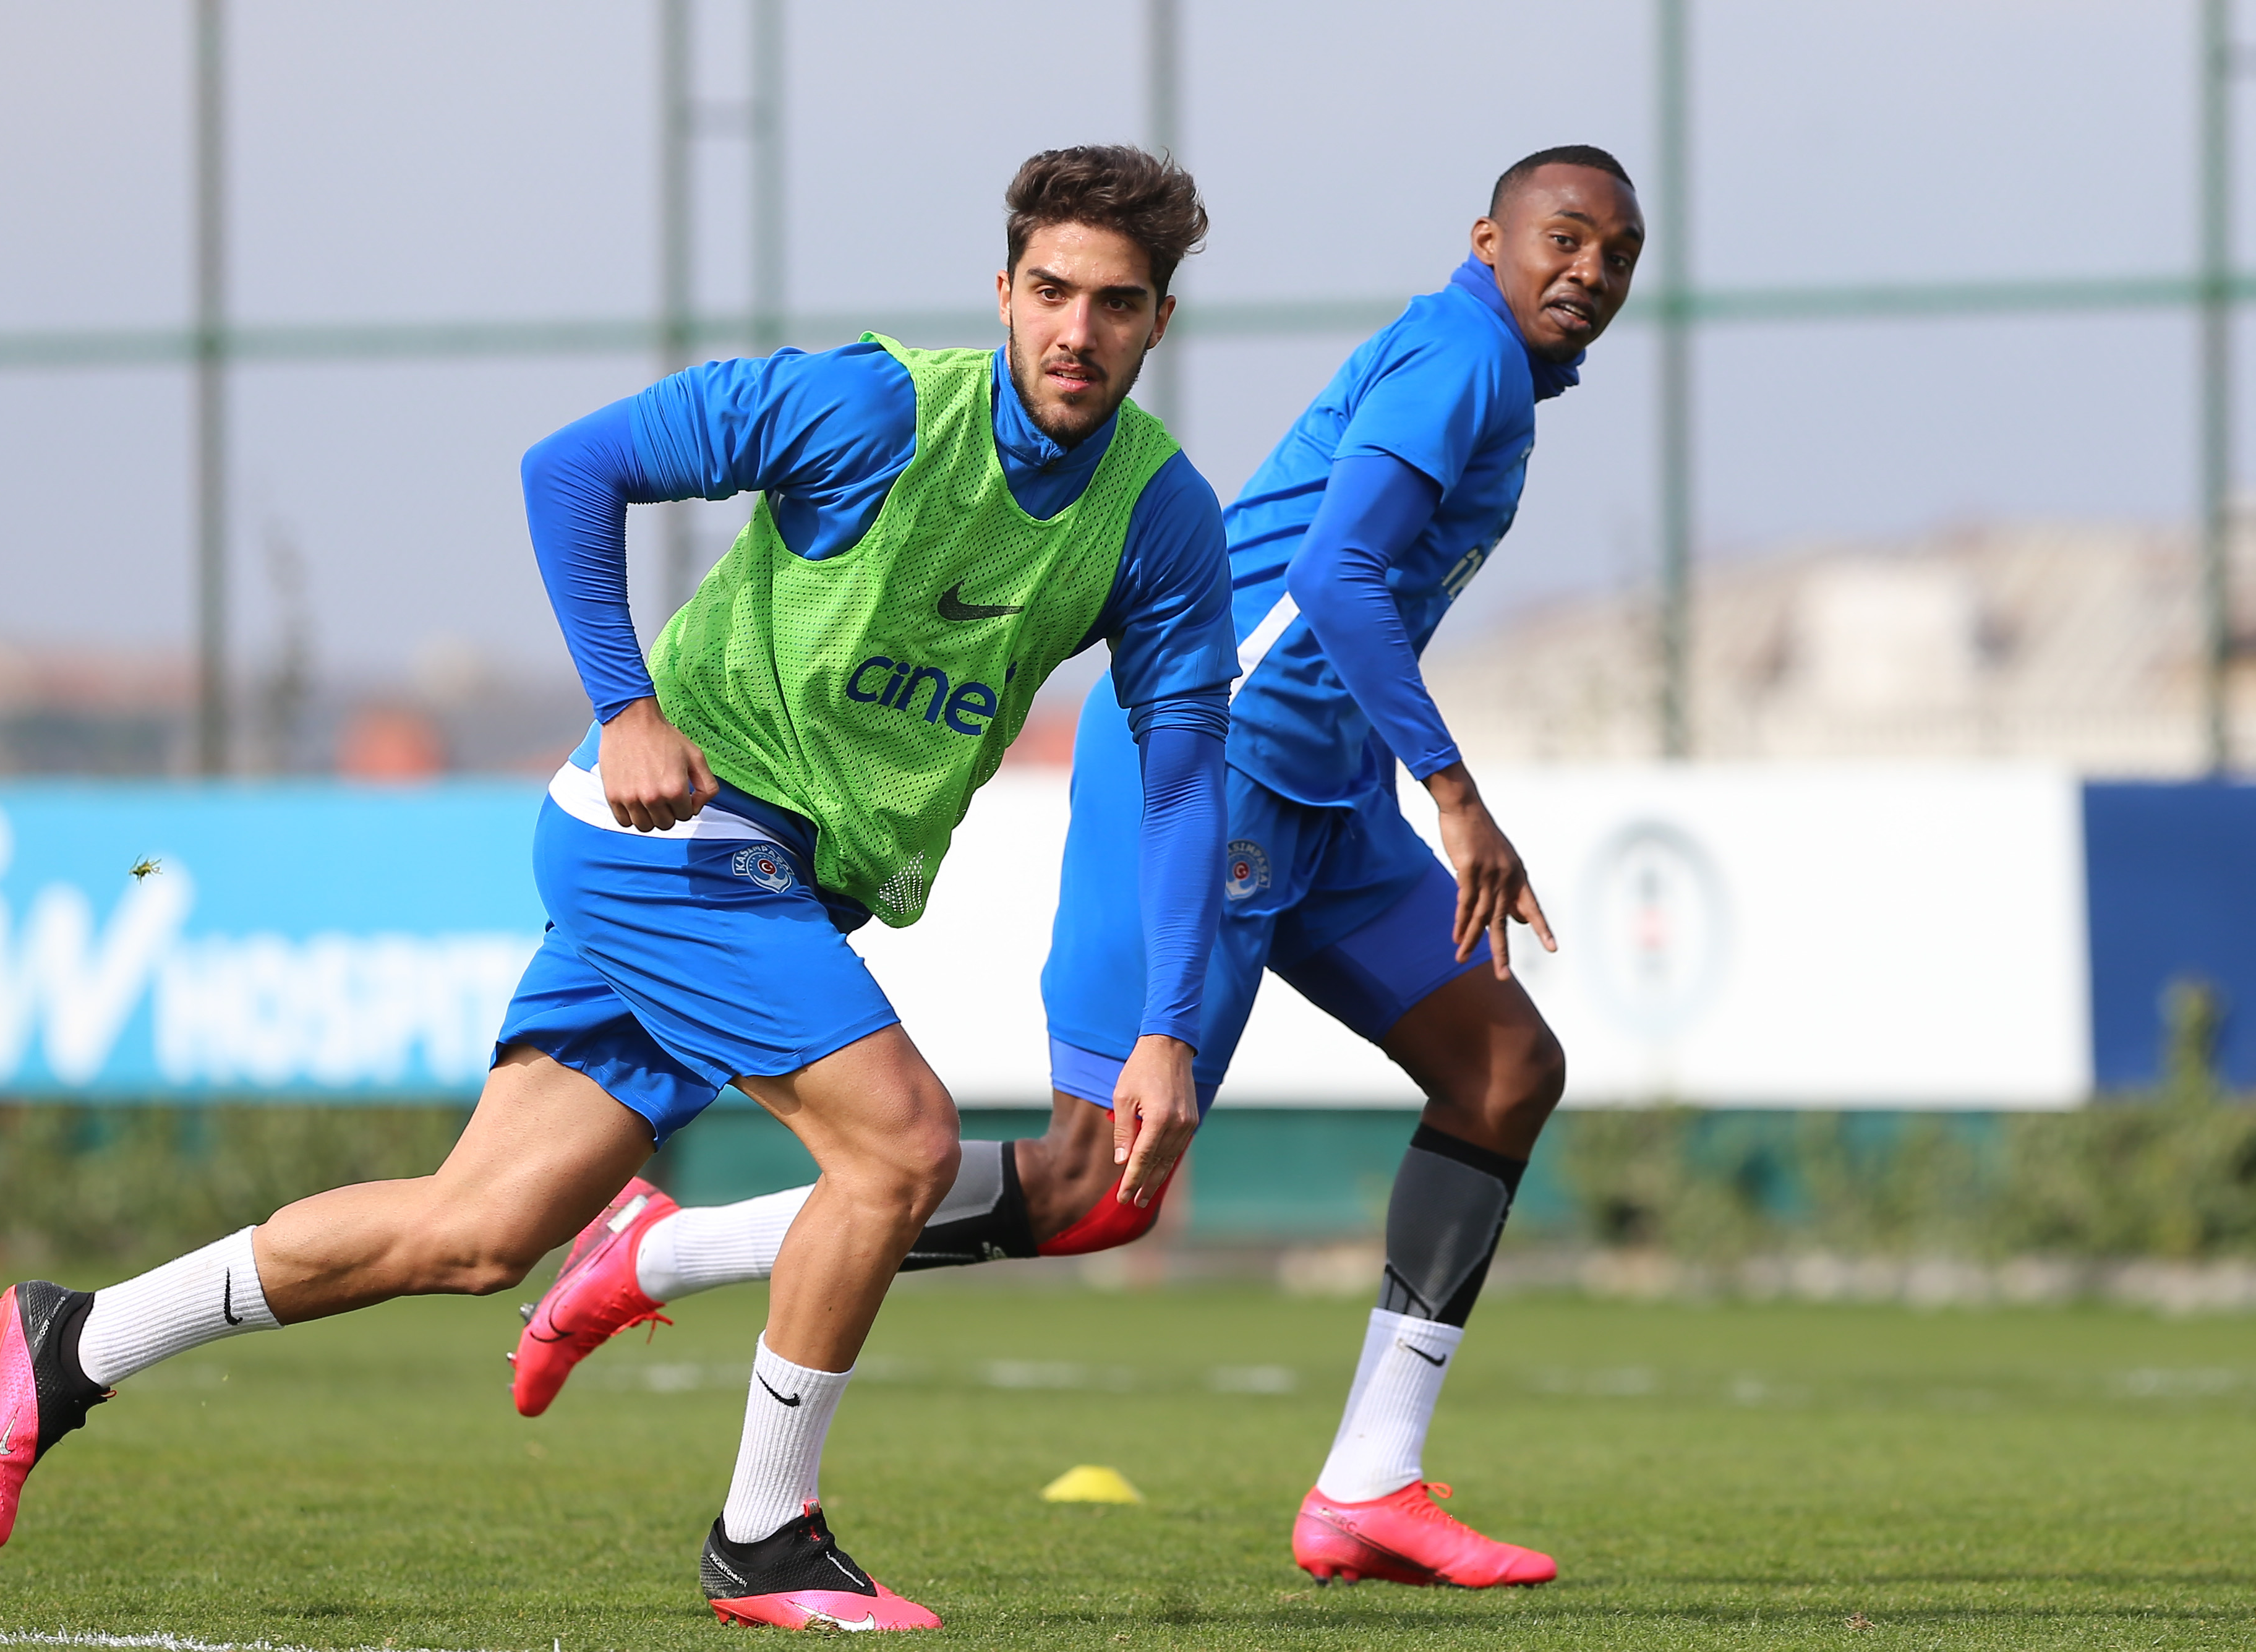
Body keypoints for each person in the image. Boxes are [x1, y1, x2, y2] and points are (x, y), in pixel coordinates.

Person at [0, 143, 1239, 1635]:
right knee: (898, 1144)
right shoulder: (870, 407)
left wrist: (1166, 1025)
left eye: (1114, 303)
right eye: (1049, 291)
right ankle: (765, 1533)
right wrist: (624, 706)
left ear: (1158, 323)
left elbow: (1181, 773)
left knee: (474, 1231)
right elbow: (570, 467)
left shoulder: (1157, 514)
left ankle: (77, 1338)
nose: (1075, 330)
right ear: (1001, 290)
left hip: (780, 882)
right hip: (674, 836)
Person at [513, 146, 1646, 1594]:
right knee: (1093, 1189)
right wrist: (1457, 796)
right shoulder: (1463, 362)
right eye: (1563, 237)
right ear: (1487, 240)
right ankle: (656, 1255)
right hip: (1228, 772)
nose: (1586, 272)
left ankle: (1368, 1484)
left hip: (1327, 783)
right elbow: (1335, 576)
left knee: (1502, 1069)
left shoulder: (1489, 376)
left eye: (1615, 254)